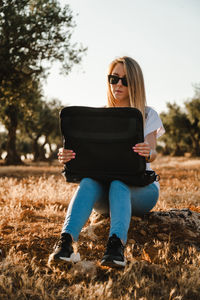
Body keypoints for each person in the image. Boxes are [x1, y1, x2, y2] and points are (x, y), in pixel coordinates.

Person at [49, 56, 165, 268]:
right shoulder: (99, 116)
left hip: (142, 190)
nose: (118, 84)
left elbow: (153, 152)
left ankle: (115, 249)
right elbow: (87, 153)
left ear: (135, 83)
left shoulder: (147, 114)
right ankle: (65, 244)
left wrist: (148, 152)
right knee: (88, 182)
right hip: (105, 192)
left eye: (125, 80)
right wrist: (67, 155)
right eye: (114, 78)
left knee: (119, 184)